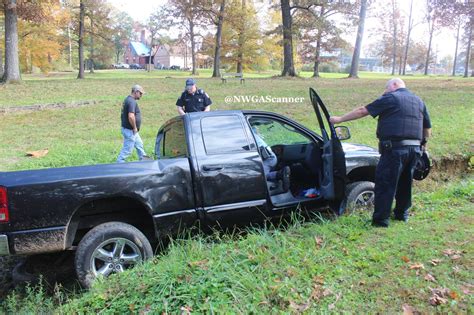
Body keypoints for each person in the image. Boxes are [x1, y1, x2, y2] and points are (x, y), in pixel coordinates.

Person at [329, 78, 432, 227]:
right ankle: (402, 215)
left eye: (386, 88)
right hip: (414, 150)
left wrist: (339, 119)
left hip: (394, 149)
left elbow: (362, 111)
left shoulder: (391, 98)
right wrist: (423, 145)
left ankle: (381, 220)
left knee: (386, 183)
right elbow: (427, 128)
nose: (385, 91)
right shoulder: (418, 101)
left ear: (394, 85)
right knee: (405, 183)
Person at [116, 84, 148, 163]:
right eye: (140, 93)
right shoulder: (131, 101)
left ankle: (144, 161)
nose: (141, 95)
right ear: (136, 92)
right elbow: (131, 116)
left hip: (131, 130)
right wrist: (134, 127)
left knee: (139, 145)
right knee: (127, 150)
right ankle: (119, 163)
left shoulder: (128, 99)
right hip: (130, 130)